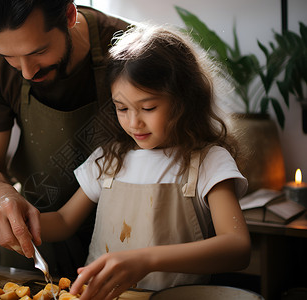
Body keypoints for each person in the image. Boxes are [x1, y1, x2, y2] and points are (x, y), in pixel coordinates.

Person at [33, 24, 251, 299]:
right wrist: (24, 222)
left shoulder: (209, 161)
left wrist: (147, 259)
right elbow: (64, 221)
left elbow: (237, 247)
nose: (134, 122)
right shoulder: (110, 159)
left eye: (148, 108)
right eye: (122, 108)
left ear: (184, 100)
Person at [0, 0, 130, 276]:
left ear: (70, 15)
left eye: (39, 51)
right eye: (9, 57)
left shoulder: (131, 48)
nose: (26, 71)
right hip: (39, 235)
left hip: (127, 237)